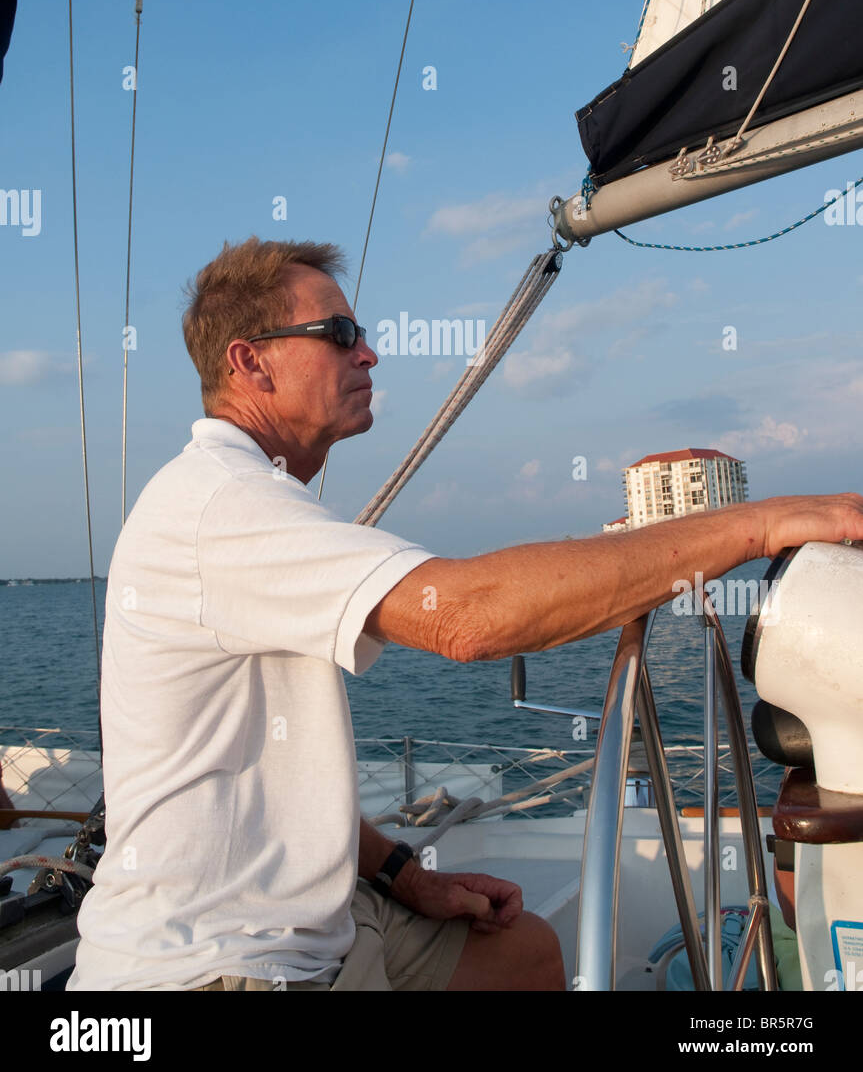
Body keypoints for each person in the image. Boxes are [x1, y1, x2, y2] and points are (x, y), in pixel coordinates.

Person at [66, 237, 863, 992]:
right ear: (250, 362)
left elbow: (273, 783)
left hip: (328, 915)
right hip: (218, 959)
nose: (367, 353)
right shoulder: (220, 505)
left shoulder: (254, 502)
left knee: (523, 957)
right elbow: (469, 617)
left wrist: (405, 877)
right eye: (338, 334)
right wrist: (754, 526)